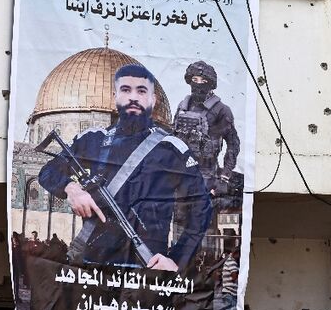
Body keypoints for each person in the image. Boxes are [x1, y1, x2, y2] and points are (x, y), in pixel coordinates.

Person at [39, 64, 212, 271]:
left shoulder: (172, 149)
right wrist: (71, 188)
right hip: (91, 266)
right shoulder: (93, 140)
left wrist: (177, 259)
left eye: (141, 91)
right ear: (115, 96)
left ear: (153, 100)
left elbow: (201, 208)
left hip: (146, 267)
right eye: (125, 90)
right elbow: (48, 172)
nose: (133, 98)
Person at [173, 61, 242, 255]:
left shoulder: (221, 110)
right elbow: (174, 139)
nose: (197, 83)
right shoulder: (182, 106)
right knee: (179, 224)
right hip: (182, 176)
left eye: (202, 80)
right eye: (194, 79)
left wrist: (224, 177)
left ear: (210, 83)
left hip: (207, 176)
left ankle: (206, 269)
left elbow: (233, 144)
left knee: (204, 228)